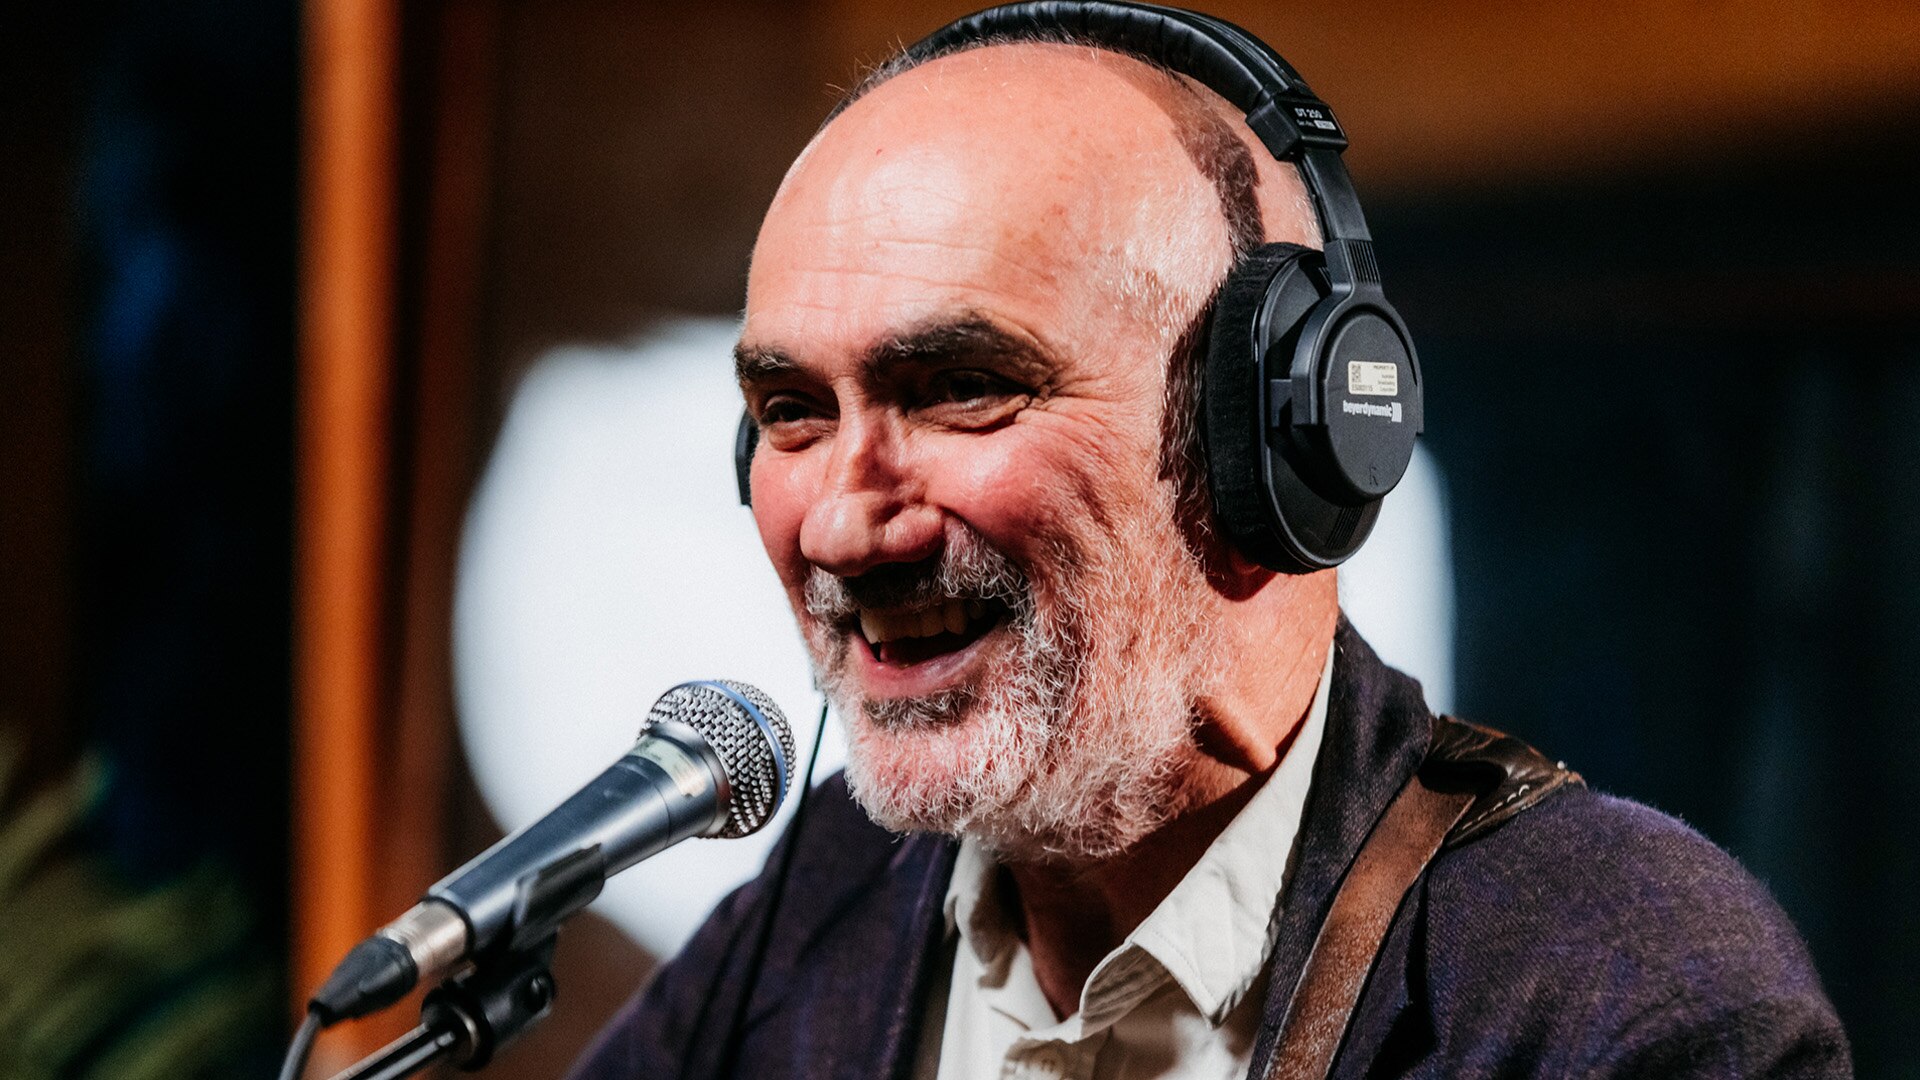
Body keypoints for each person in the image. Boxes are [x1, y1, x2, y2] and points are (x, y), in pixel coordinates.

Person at [569, 6, 1849, 1078]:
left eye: (961, 387)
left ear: (1272, 433)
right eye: (792, 411)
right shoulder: (805, 928)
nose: (843, 520)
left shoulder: (1618, 983)